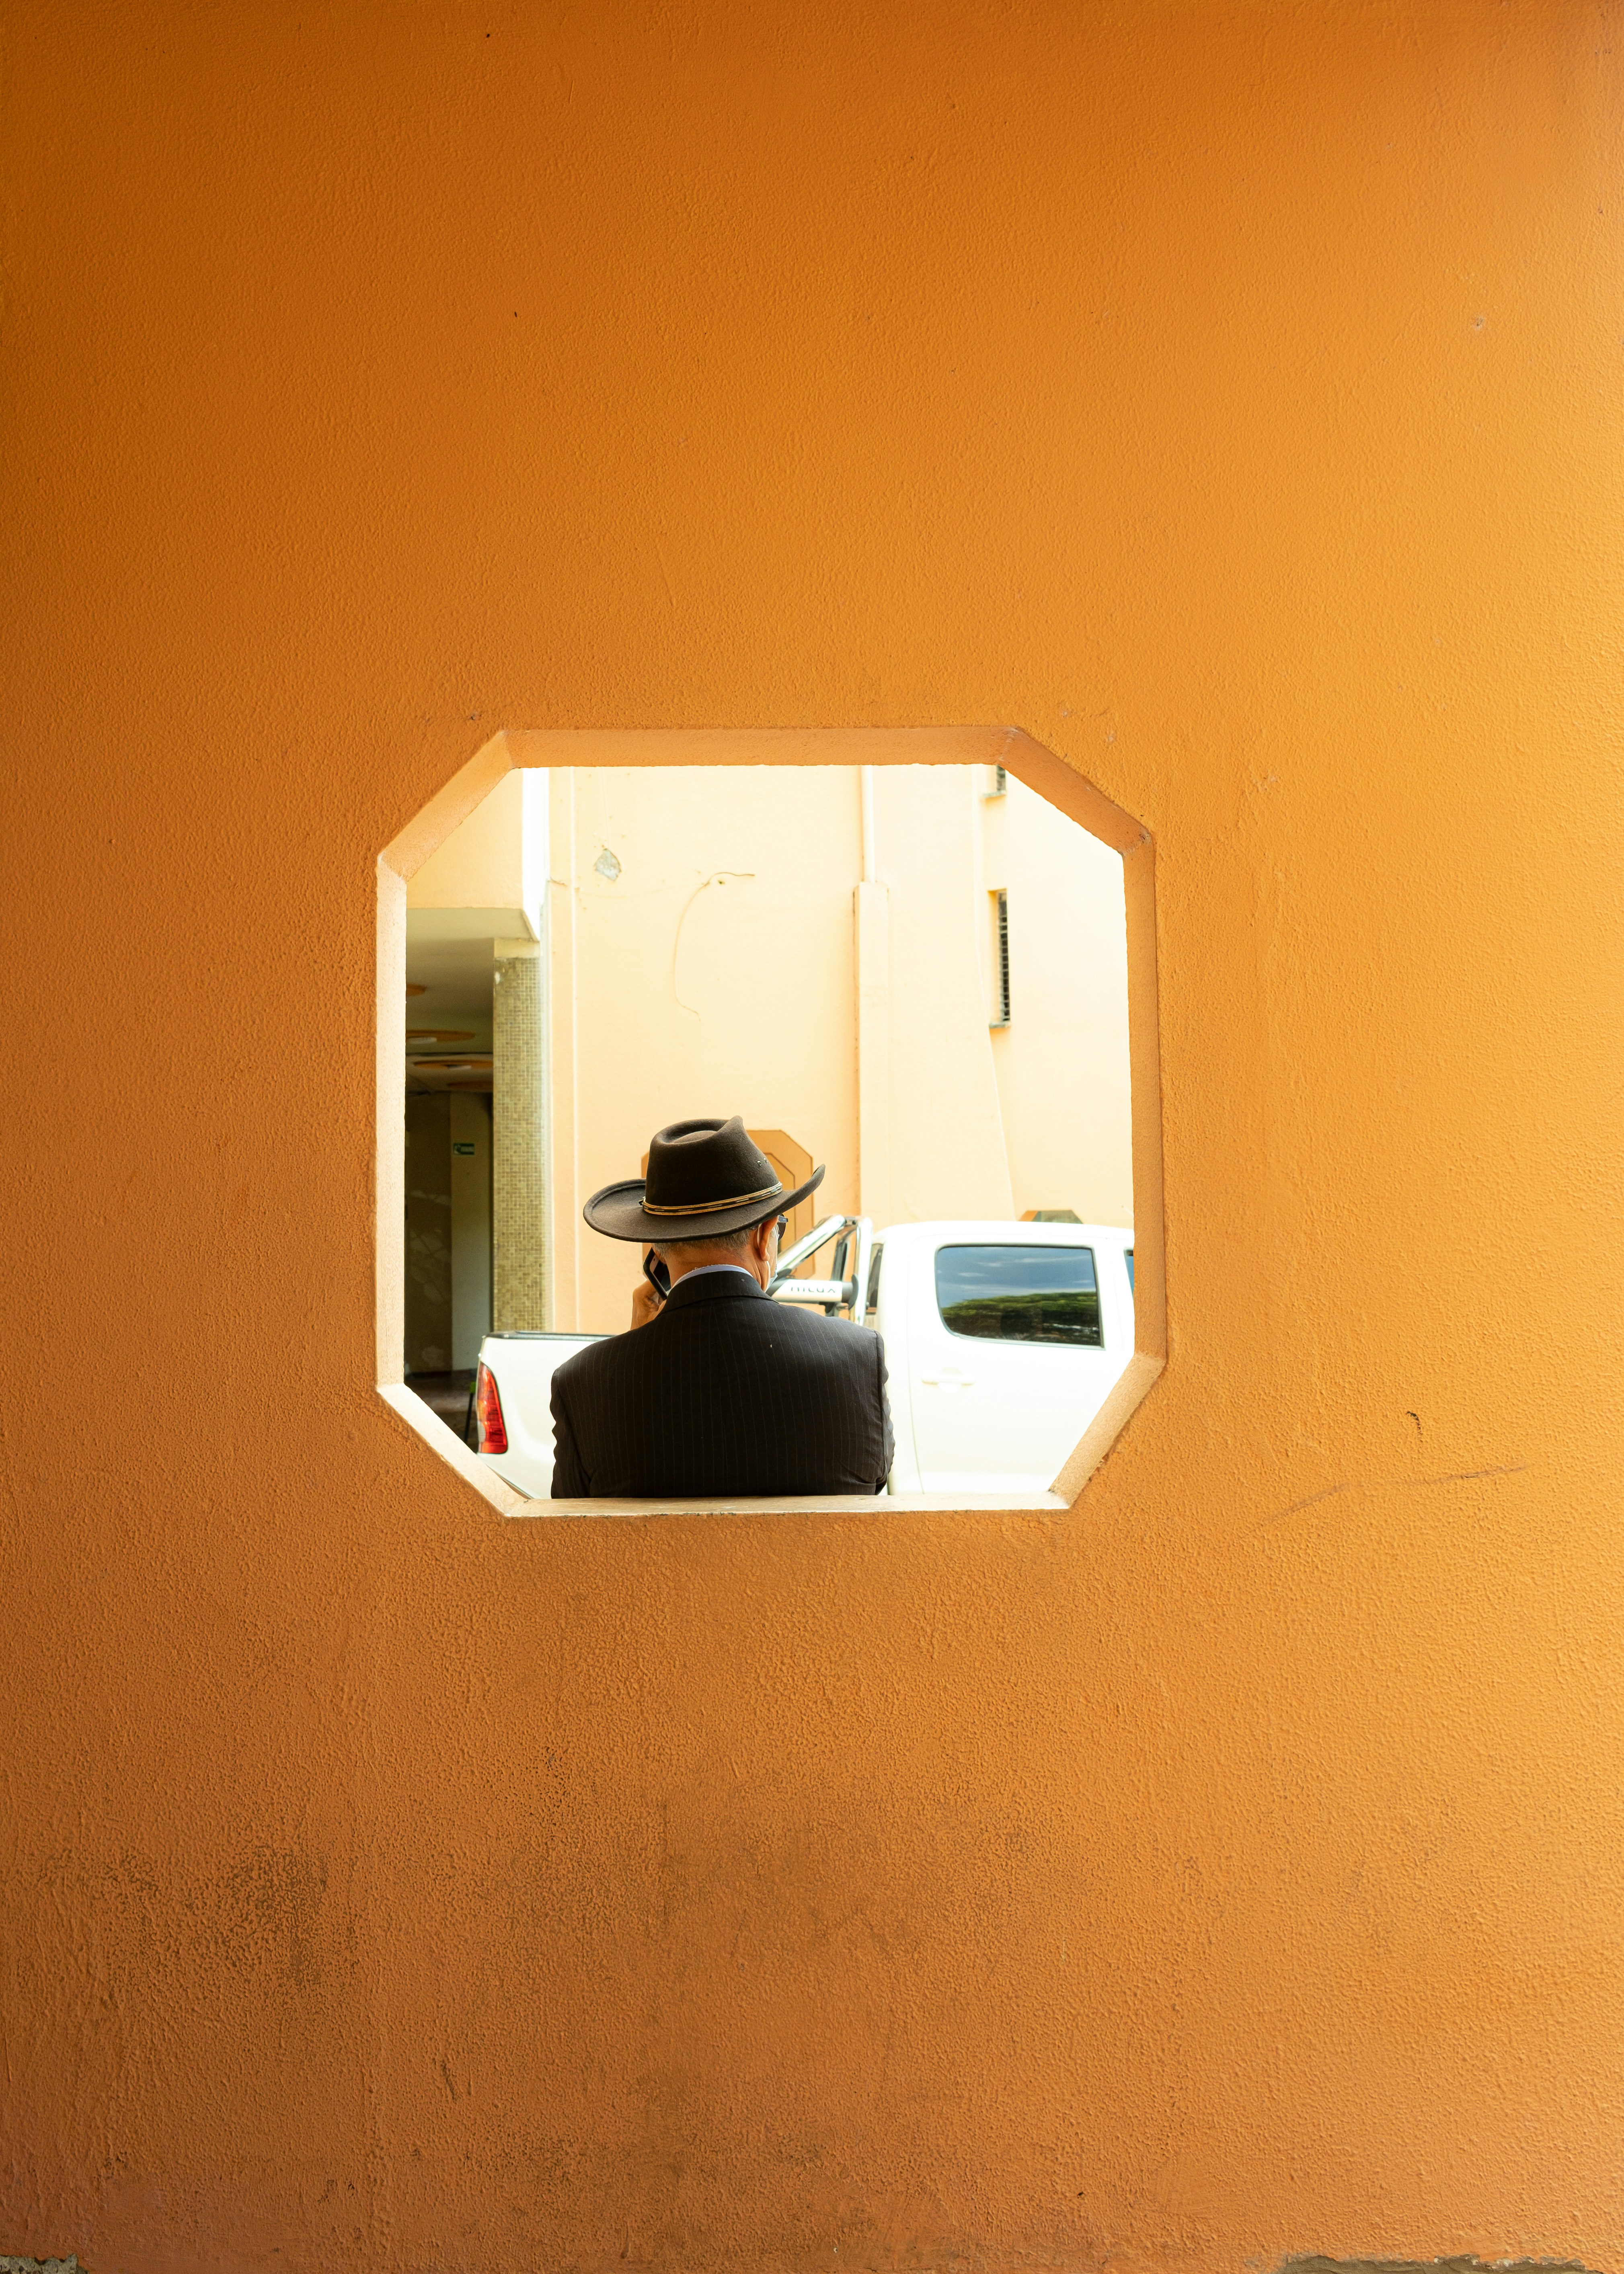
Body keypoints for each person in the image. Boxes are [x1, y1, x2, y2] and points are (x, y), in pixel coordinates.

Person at [549, 1116, 894, 1498]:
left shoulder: (584, 1381)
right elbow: (874, 1479)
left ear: (657, 1254)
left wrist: (631, 1352)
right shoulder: (857, 1355)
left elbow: (569, 1519)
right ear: (765, 1237)